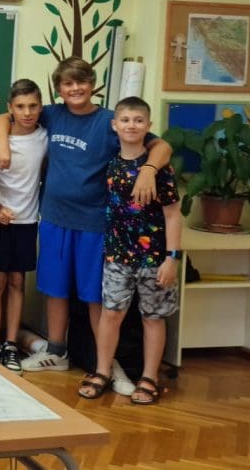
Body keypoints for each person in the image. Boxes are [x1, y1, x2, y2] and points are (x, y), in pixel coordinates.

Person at [0, 58, 170, 392]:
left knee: (95, 297)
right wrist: (2, 144)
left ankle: (107, 363)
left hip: (94, 224)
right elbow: (3, 116)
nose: (75, 89)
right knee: (55, 290)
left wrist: (149, 170)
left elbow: (161, 145)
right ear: (59, 89)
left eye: (81, 82)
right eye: (67, 84)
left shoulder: (109, 122)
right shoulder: (52, 114)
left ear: (92, 84)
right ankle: (56, 351)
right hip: (54, 219)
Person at [78, 96, 181, 405]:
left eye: (138, 120)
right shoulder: (112, 164)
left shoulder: (159, 169)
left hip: (154, 259)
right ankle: (102, 371)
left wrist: (172, 258)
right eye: (125, 120)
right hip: (117, 256)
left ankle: (149, 377)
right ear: (115, 125)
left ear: (149, 126)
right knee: (110, 314)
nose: (131, 125)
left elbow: (173, 215)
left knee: (152, 317)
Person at [0, 78, 47, 372]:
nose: (27, 112)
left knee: (18, 281)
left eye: (32, 106)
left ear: (41, 107)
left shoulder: (44, 137)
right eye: (20, 106)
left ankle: (10, 342)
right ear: (10, 108)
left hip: (27, 220)